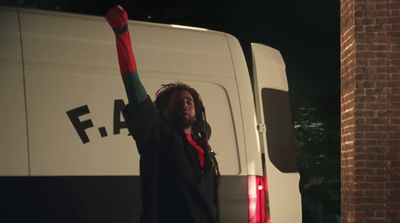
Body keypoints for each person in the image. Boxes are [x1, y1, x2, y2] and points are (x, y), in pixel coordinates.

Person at [105, 5, 220, 223]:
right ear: (164, 111)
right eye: (177, 102)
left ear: (197, 110)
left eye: (189, 101)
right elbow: (133, 85)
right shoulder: (159, 137)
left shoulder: (202, 146)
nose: (185, 105)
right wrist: (122, 34)